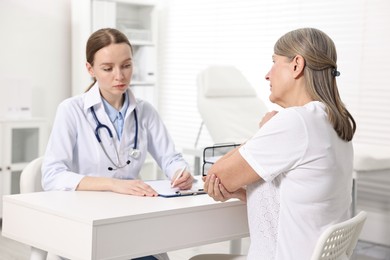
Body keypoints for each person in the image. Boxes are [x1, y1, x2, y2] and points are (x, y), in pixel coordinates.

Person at [203, 28, 356, 260]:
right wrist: (244, 192)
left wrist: (262, 132)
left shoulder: (296, 121)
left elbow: (217, 175)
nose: (267, 74)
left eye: (274, 62)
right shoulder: (334, 121)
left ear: (296, 65)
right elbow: (301, 200)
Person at [42, 28, 193, 260]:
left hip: (131, 219)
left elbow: (170, 158)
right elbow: (52, 175)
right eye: (107, 68)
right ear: (90, 69)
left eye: (126, 65)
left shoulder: (145, 111)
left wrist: (180, 173)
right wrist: (112, 184)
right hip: (85, 221)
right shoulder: (71, 110)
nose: (119, 76)